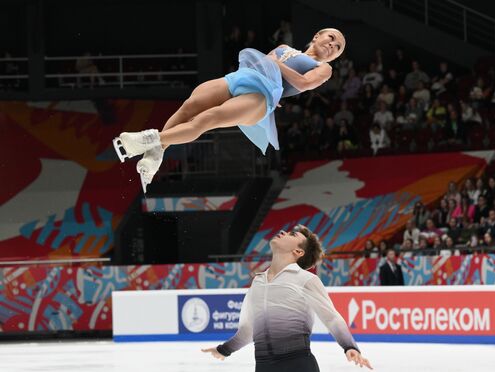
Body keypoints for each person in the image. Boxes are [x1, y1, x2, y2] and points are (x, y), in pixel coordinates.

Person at [113, 28, 346, 192]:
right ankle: (155, 155)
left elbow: (304, 84)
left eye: (337, 48)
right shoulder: (284, 47)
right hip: (242, 78)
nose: (333, 46)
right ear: (317, 36)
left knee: (207, 118)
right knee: (190, 106)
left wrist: (276, 68)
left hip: (260, 96)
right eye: (332, 38)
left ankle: (146, 140)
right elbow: (262, 64)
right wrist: (275, 65)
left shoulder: (323, 68)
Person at [202, 225, 373, 370]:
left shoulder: (306, 279)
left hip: (298, 365)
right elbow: (248, 330)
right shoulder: (257, 282)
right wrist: (224, 349)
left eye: (292, 234)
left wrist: (349, 346)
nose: (283, 231)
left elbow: (332, 317)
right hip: (263, 367)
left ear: (298, 251)